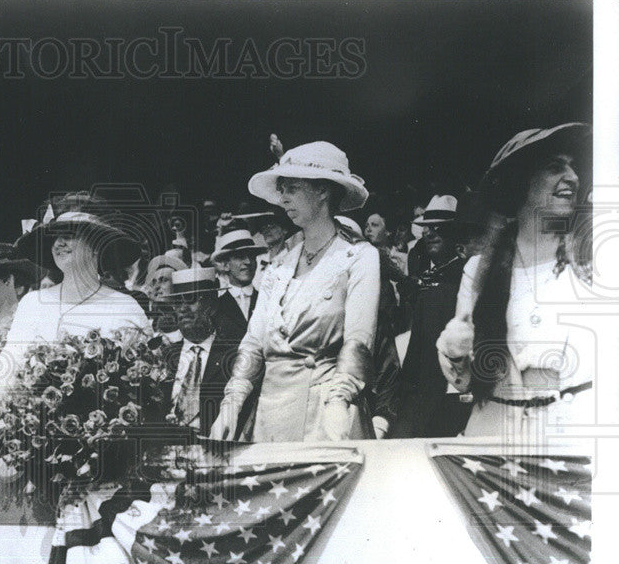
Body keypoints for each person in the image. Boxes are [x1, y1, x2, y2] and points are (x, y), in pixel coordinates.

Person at [211, 140, 380, 442]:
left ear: (323, 190)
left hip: (326, 415)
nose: (283, 199)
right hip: (269, 417)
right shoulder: (278, 266)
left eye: (292, 188)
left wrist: (340, 399)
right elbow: (253, 343)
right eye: (282, 190)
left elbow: (359, 340)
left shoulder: (358, 257)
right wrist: (232, 402)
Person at [436, 123, 593, 439]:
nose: (573, 178)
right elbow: (466, 380)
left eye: (573, 168)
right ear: (520, 183)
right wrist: (454, 350)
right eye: (555, 167)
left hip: (572, 440)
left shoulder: (592, 262)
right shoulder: (481, 270)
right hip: (494, 439)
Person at [0, 192, 150, 467]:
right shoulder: (33, 303)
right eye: (56, 237)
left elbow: (141, 387)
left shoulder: (125, 307)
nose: (59, 243)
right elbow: (10, 371)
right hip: (37, 454)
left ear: (96, 246)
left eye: (71, 235)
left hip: (106, 454)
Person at [390, 208, 472, 439]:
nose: (431, 233)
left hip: (452, 388)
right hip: (421, 388)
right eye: (427, 228)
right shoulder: (424, 278)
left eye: (440, 229)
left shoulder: (465, 277)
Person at [162, 267, 258, 436]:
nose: (183, 308)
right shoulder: (164, 356)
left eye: (191, 300)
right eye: (177, 302)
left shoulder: (234, 355)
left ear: (212, 305)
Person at [211, 229, 266, 343]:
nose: (248, 262)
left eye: (251, 256)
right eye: (240, 257)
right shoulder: (214, 307)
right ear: (226, 265)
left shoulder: (267, 301)